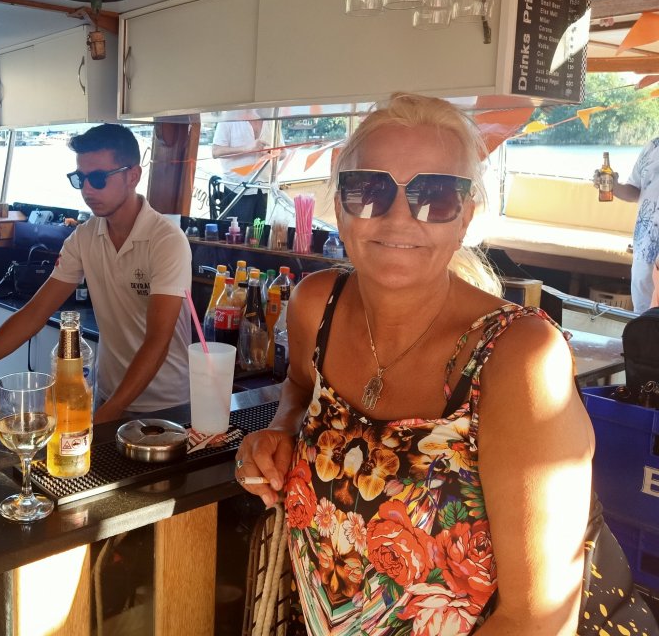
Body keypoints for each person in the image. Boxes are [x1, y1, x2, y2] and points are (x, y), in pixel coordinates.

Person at [235, 93, 594, 634]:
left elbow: (537, 619)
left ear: (465, 218)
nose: (399, 217)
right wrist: (279, 431)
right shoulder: (316, 305)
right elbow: (299, 388)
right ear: (341, 208)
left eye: (436, 196)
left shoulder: (519, 357)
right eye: (369, 190)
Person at [0, 123, 192, 422]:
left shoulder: (166, 240)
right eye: (80, 179)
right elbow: (34, 314)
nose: (87, 190)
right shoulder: (85, 237)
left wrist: (107, 416)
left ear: (133, 175)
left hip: (167, 406)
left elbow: (158, 339)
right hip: (110, 396)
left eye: (98, 178)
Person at [592, 139, 659, 311]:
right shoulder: (652, 146)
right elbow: (635, 191)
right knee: (643, 313)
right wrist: (613, 186)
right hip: (645, 249)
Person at [211, 116, 274, 225]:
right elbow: (216, 151)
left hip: (265, 189)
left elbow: (283, 153)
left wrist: (270, 152)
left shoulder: (272, 120)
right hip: (236, 189)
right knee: (235, 234)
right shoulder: (229, 117)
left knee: (261, 234)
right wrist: (247, 148)